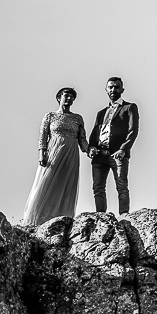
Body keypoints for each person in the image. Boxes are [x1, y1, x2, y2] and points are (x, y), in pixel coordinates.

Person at [19, 87, 88, 227]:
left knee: (65, 184)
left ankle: (61, 216)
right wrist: (42, 153)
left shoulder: (77, 118)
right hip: (53, 152)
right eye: (66, 96)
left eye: (72, 97)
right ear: (59, 98)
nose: (69, 99)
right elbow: (43, 136)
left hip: (71, 154)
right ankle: (37, 218)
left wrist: (90, 150)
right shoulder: (50, 116)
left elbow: (82, 140)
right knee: (46, 183)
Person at [90, 76, 138, 214]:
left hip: (117, 154)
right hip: (99, 154)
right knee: (98, 188)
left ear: (122, 89)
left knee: (121, 186)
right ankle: (101, 216)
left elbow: (133, 131)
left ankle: (124, 216)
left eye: (116, 87)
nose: (113, 89)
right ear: (106, 89)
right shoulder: (101, 113)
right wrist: (91, 148)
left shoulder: (129, 107)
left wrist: (123, 149)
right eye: (110, 87)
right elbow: (95, 133)